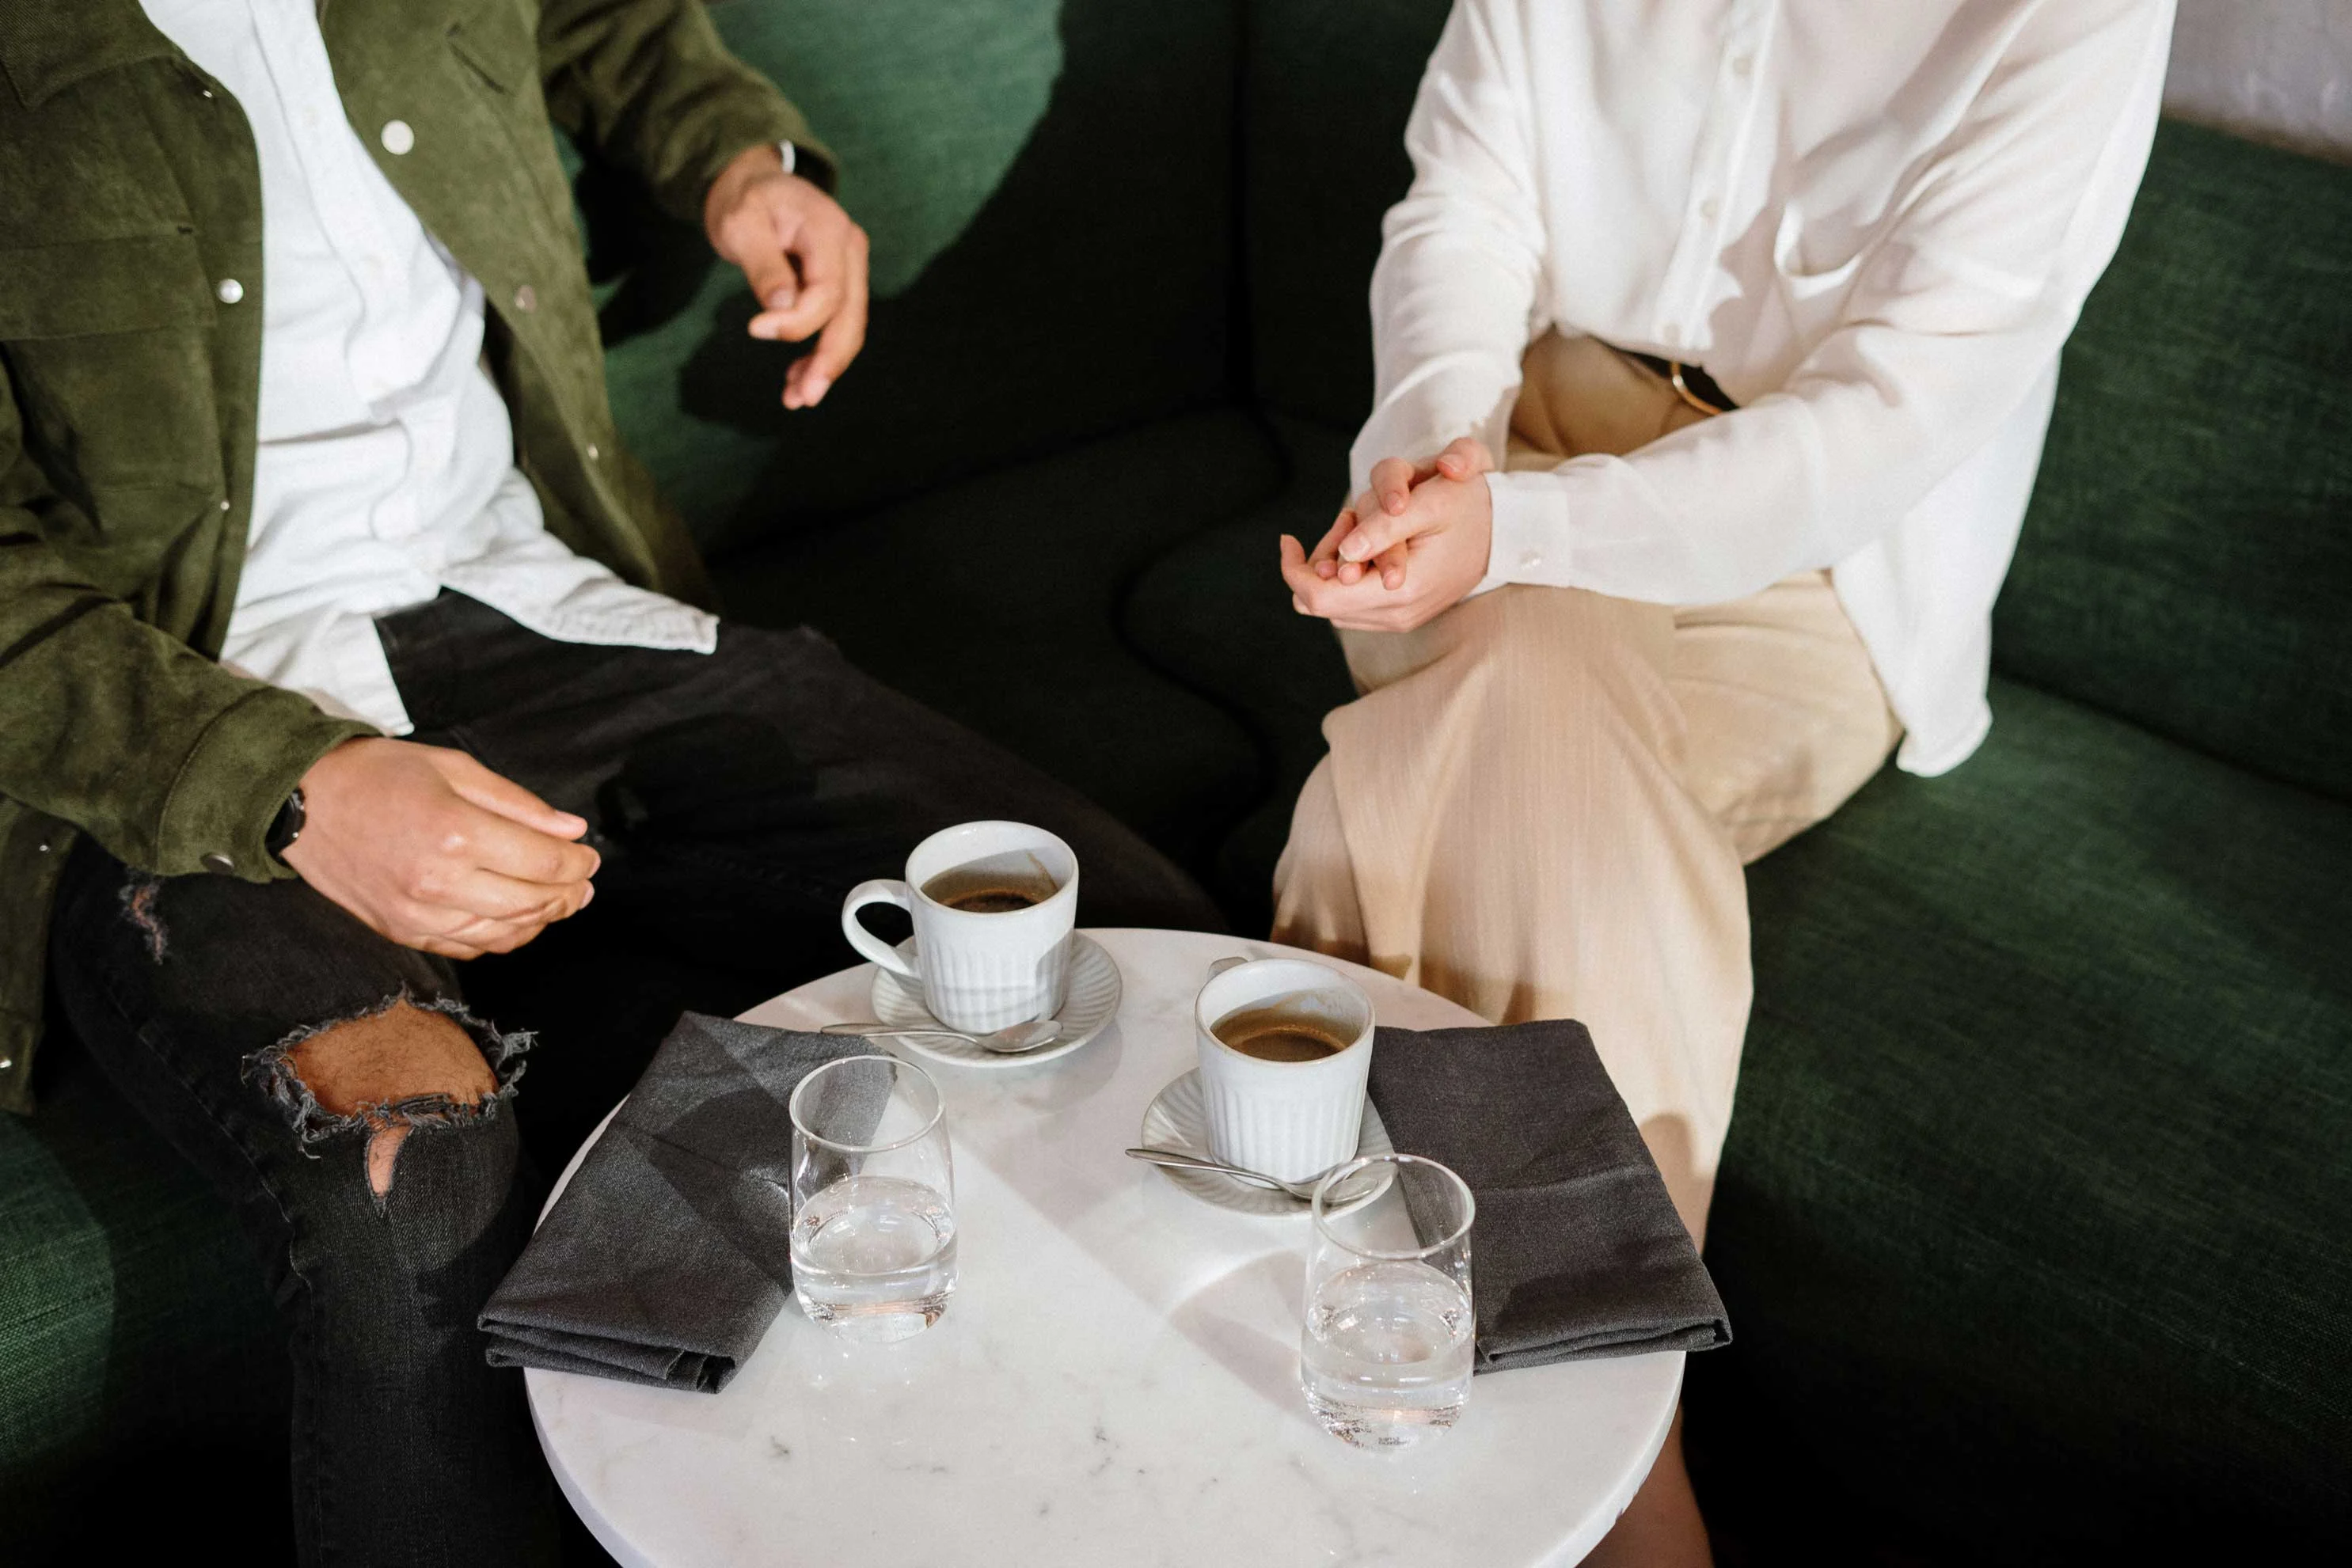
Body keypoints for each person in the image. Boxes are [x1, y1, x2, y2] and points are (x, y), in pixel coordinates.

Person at [0, 1, 1216, 1560]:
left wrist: (734, 158)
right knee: (413, 1174)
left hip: (543, 605)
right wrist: (296, 785)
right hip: (177, 719)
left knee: (1118, 952)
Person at [1272, 1, 2174, 1561]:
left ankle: (1448, 1408)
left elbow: (1893, 418)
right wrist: (1441, 448)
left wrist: (1524, 543)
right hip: (1507, 455)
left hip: (1825, 565)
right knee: (1528, 676)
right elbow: (1467, 199)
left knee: (1483, 716)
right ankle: (1614, 1467)